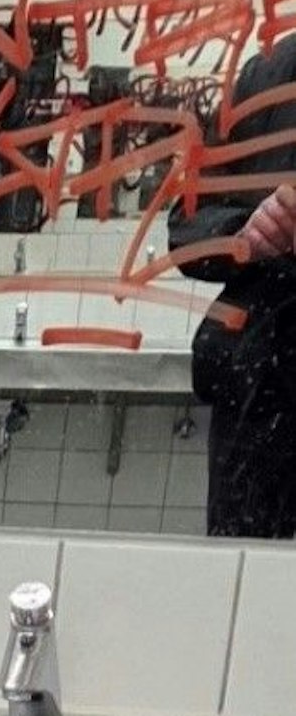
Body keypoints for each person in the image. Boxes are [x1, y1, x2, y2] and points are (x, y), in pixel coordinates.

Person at [170, 31, 296, 538]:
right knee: (246, 570)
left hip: (262, 386)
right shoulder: (268, 74)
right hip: (264, 395)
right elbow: (188, 223)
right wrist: (245, 235)